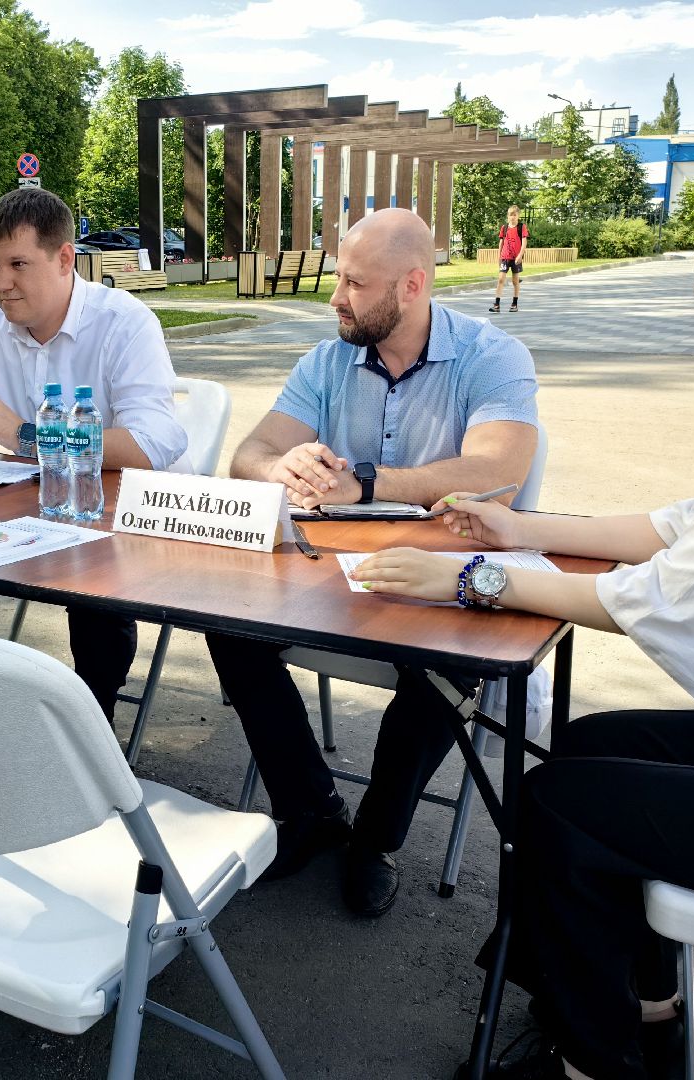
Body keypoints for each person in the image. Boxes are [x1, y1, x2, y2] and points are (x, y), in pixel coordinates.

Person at [351, 151, 694, 1079]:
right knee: (593, 747)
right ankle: (649, 1009)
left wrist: (477, 577)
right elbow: (677, 528)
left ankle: (593, 1060)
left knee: (559, 805)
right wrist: (522, 525)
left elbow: (660, 600)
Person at [204, 208, 538, 917]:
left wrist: (367, 479)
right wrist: (281, 463)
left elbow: (497, 470)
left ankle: (375, 841)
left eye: (354, 283)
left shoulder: (491, 357)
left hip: (450, 576)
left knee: (449, 665)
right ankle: (311, 811)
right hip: (340, 573)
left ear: (412, 286)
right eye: (338, 278)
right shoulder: (326, 361)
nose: (335, 297)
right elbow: (247, 457)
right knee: (227, 621)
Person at [0, 187, 188, 719]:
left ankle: (87, 725)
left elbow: (154, 443)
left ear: (64, 258)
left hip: (114, 513)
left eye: (18, 265)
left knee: (91, 588)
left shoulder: (124, 322)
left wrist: (28, 436)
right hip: (33, 505)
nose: (2, 284)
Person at [490, 205, 529, 313]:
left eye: (514, 215)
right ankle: (497, 304)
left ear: (518, 216)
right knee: (501, 279)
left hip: (516, 258)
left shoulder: (522, 227)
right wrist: (499, 257)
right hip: (505, 257)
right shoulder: (505, 227)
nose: (512, 217)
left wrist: (520, 255)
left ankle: (514, 304)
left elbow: (524, 242)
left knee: (515, 281)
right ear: (508, 216)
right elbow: (501, 242)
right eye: (510, 215)